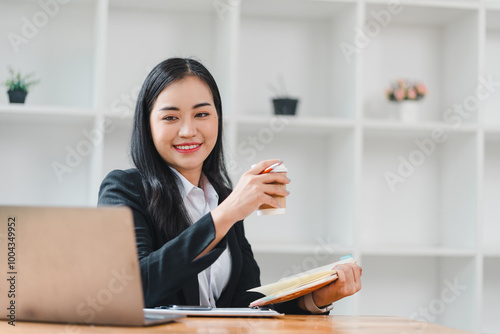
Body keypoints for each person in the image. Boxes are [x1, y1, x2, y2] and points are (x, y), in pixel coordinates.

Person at [98, 58, 362, 314]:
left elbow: (247, 301)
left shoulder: (221, 196)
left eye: (202, 114)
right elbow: (132, 288)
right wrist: (228, 212)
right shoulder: (124, 188)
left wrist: (316, 297)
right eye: (170, 117)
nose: (188, 130)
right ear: (147, 124)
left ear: (217, 119)